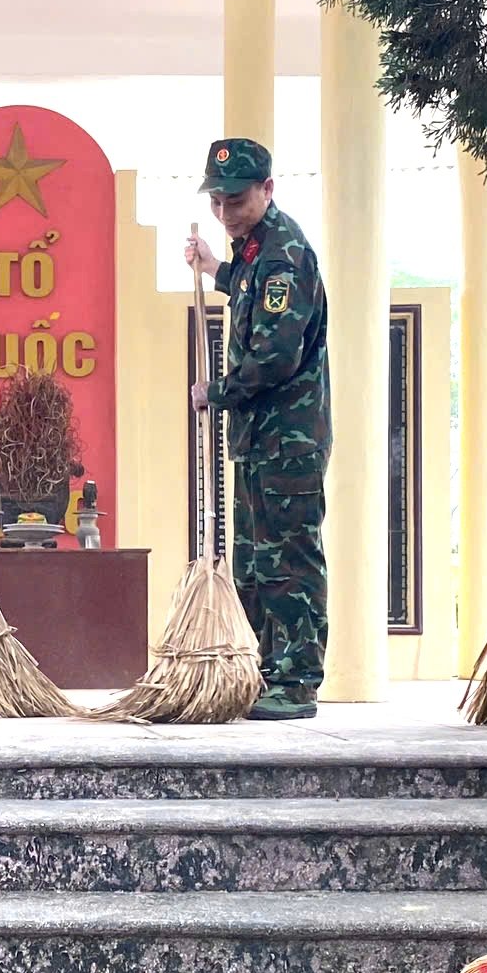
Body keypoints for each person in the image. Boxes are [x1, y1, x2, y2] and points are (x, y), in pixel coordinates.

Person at [183, 137, 330, 721]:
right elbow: (247, 297)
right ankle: (270, 668)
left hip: (287, 436)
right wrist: (213, 267)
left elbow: (275, 354)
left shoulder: (281, 255)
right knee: (254, 562)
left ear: (268, 190)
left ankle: (296, 680)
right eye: (217, 200)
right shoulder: (250, 251)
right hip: (258, 436)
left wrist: (214, 392)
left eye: (236, 200)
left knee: (288, 557)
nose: (224, 211)